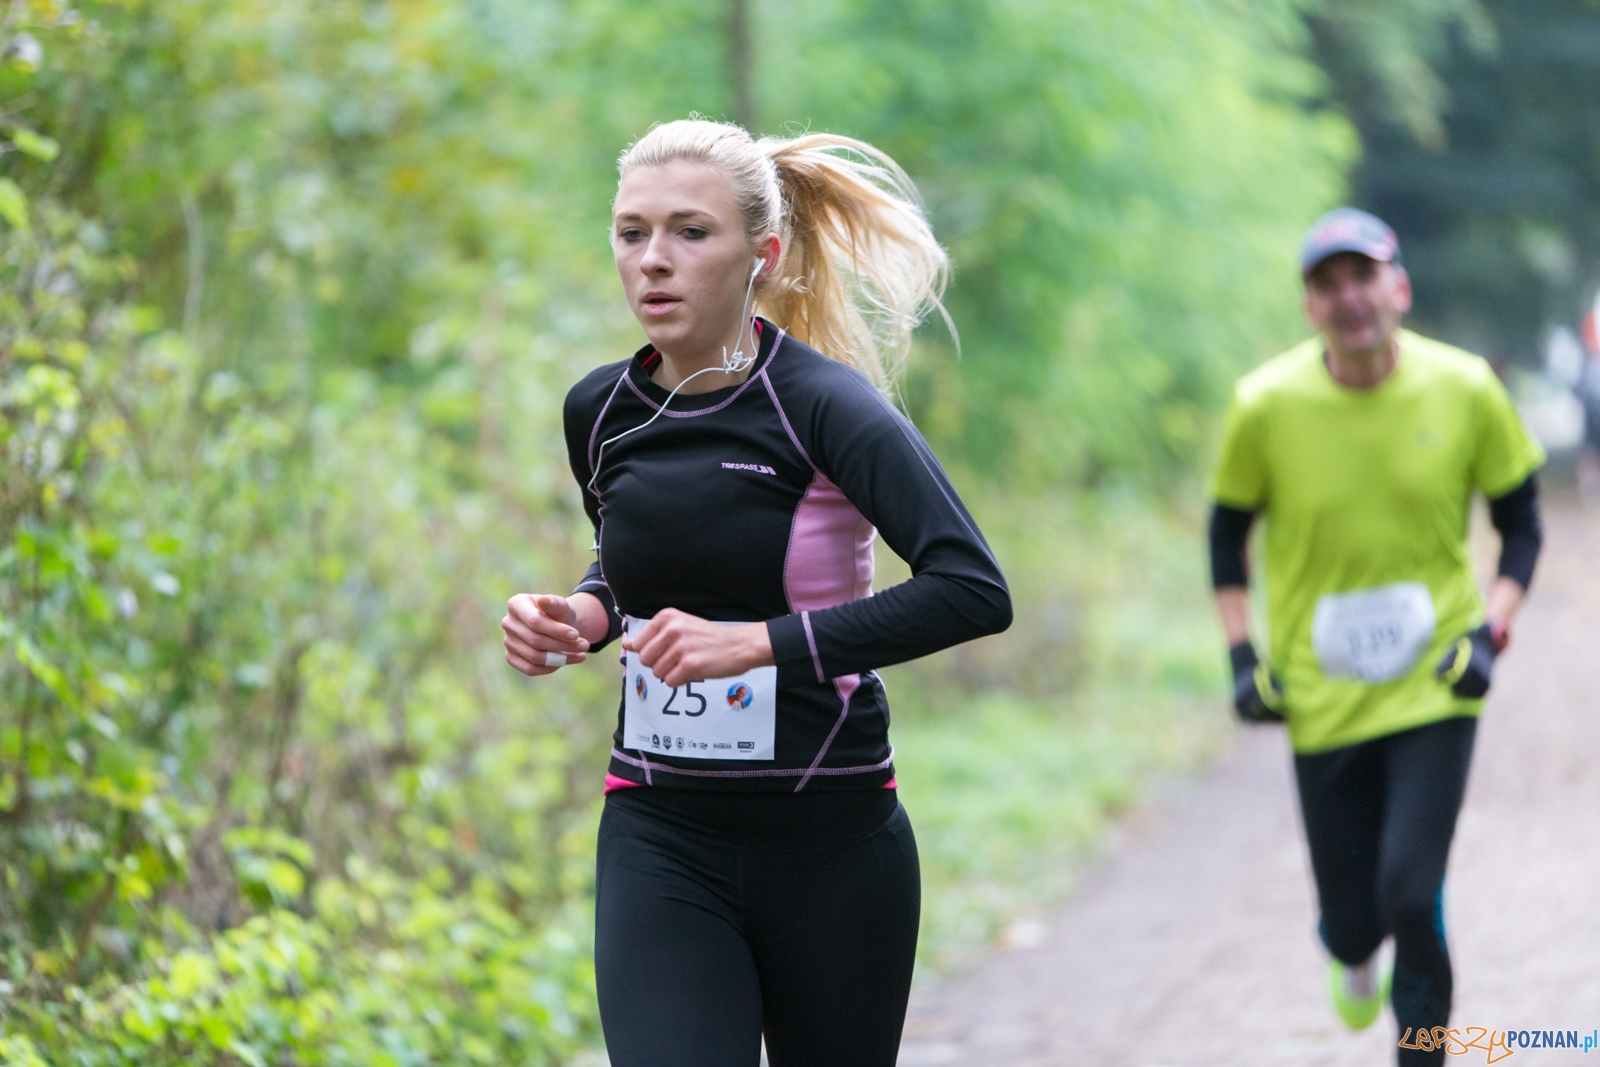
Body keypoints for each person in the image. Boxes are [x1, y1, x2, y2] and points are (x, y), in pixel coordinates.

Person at [500, 119, 1011, 1067]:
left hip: (831, 838)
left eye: (690, 232)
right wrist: (580, 615)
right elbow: (632, 564)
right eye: (632, 232)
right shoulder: (599, 410)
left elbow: (971, 588)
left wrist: (758, 644)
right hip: (660, 829)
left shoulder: (824, 405)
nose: (653, 259)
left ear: (763, 257)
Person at [1207, 208, 1544, 1066]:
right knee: (1356, 921)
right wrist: (1243, 656)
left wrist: (1491, 630)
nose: (1349, 297)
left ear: (1400, 287)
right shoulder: (1265, 406)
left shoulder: (1465, 387)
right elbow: (1225, 536)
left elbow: (1521, 524)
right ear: (1310, 307)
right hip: (1322, 695)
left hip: (1435, 681)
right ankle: (1351, 948)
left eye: (1364, 276)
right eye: (1328, 284)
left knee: (1411, 890)